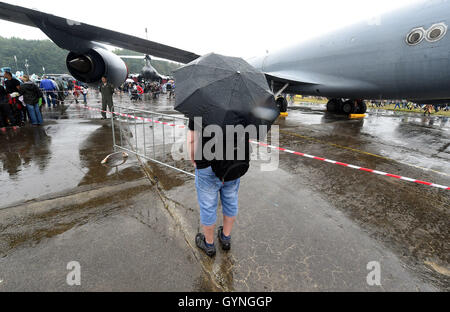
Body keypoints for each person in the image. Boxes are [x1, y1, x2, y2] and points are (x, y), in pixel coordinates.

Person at [188, 119, 245, 257]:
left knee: (208, 206)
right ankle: (225, 238)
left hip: (206, 163)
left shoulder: (200, 104)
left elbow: (192, 140)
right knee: (230, 200)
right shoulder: (243, 105)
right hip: (233, 162)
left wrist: (192, 158)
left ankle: (209, 244)